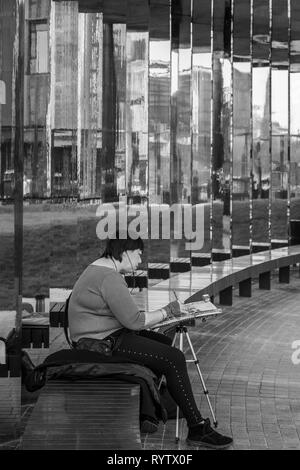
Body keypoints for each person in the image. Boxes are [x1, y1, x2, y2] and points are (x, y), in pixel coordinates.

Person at [68, 233, 233, 449]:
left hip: (102, 337)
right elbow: (135, 321)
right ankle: (197, 428)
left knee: (163, 343)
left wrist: (162, 315)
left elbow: (125, 316)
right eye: (138, 254)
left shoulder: (98, 270)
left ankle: (155, 405)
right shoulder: (109, 277)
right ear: (125, 252)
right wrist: (167, 312)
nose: (139, 261)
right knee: (174, 358)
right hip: (101, 345)